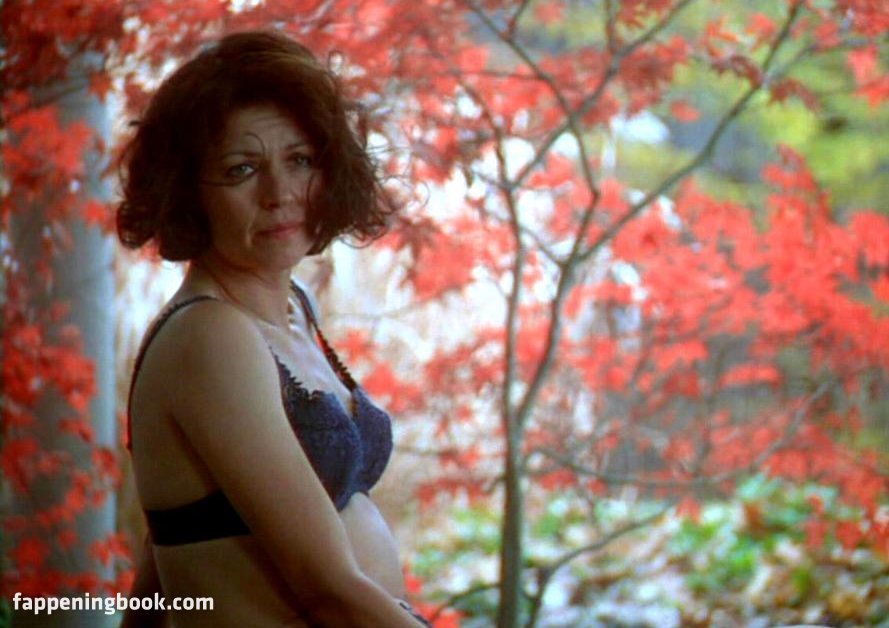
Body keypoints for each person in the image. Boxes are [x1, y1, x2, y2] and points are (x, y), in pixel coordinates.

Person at [117, 30, 430, 627]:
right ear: (188, 194)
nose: (280, 194)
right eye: (242, 170)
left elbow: (171, 542)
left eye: (301, 160)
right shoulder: (210, 337)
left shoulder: (293, 309)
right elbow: (327, 588)